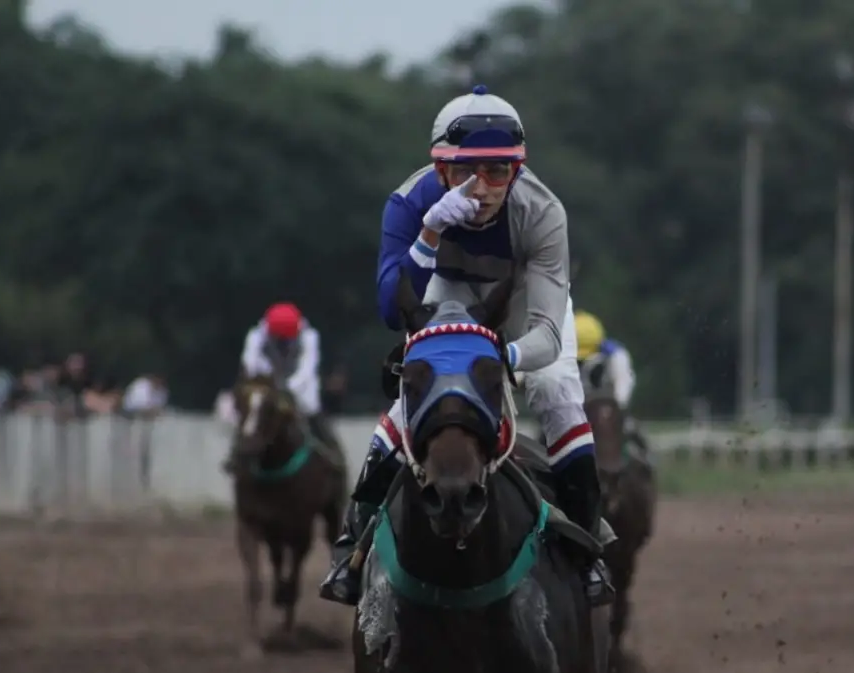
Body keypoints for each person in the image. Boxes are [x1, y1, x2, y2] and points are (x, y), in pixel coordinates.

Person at [320, 84, 613, 607]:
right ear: (440, 173)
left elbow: (546, 334)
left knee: (554, 389)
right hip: (447, 289)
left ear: (517, 171)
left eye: (498, 171)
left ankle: (589, 554)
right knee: (417, 388)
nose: (482, 188)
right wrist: (430, 232)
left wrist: (505, 357)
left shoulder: (543, 214)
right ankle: (354, 545)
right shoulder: (409, 206)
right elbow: (393, 311)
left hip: (525, 301)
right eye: (465, 172)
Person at [223, 302, 335, 473]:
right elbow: (251, 363)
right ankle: (237, 454)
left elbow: (307, 370)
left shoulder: (310, 336)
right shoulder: (256, 335)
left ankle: (333, 455)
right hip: (267, 385)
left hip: (300, 388)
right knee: (249, 416)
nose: (282, 343)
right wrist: (270, 385)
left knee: (314, 416)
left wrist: (286, 389)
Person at [574, 310, 650, 461]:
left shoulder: (617, 355)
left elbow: (624, 385)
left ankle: (645, 463)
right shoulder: (560, 353)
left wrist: (616, 410)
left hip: (608, 407)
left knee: (633, 432)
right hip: (574, 410)